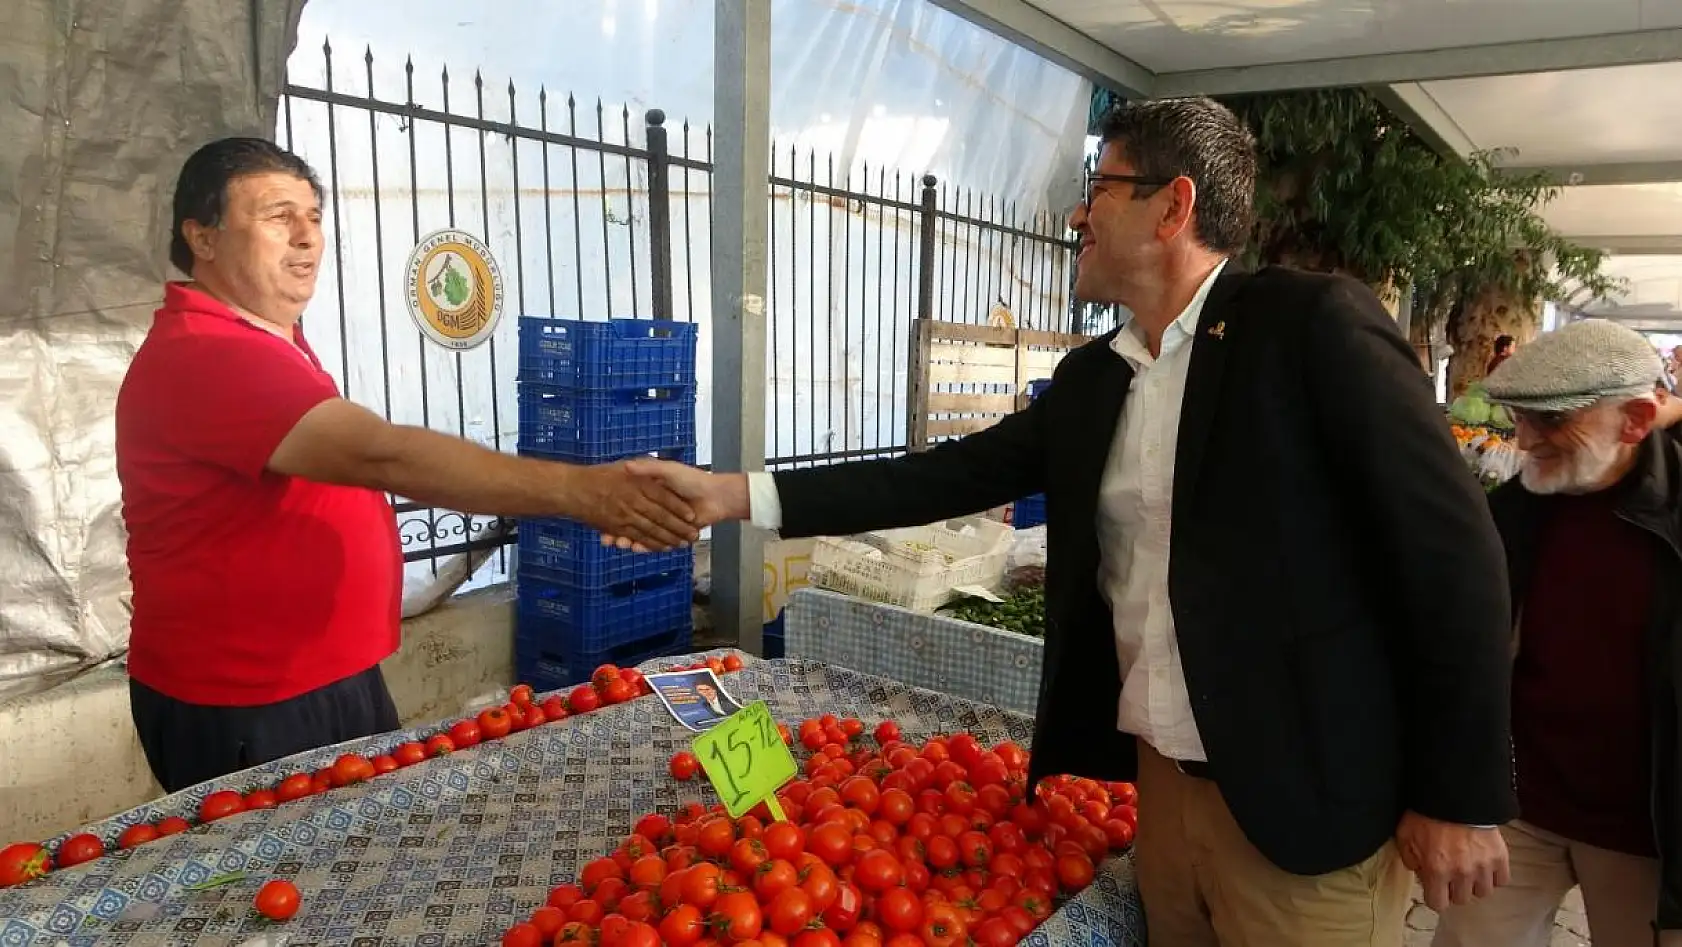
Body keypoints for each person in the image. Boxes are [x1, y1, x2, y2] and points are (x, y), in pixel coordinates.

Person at [622, 98, 1516, 945]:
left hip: (1309, 807)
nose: (1075, 219)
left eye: (1097, 192)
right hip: (1167, 790)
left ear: (1174, 207)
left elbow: (1454, 554)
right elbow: (942, 476)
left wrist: (1457, 793)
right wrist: (734, 495)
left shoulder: (1308, 329)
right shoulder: (1097, 380)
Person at [116, 137, 698, 793]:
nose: (307, 238)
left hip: (323, 674)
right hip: (250, 696)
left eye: (314, 216)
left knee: (356, 863)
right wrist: (582, 491)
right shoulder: (208, 354)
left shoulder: (268, 341)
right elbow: (379, 452)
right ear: (203, 236)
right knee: (292, 880)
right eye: (278, 216)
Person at [1431, 319, 1682, 947]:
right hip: (1518, 809)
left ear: (1636, 420)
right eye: (1520, 416)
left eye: (1552, 420)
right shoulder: (1512, 511)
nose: (1526, 439)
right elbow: (1457, 655)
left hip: (1649, 830)